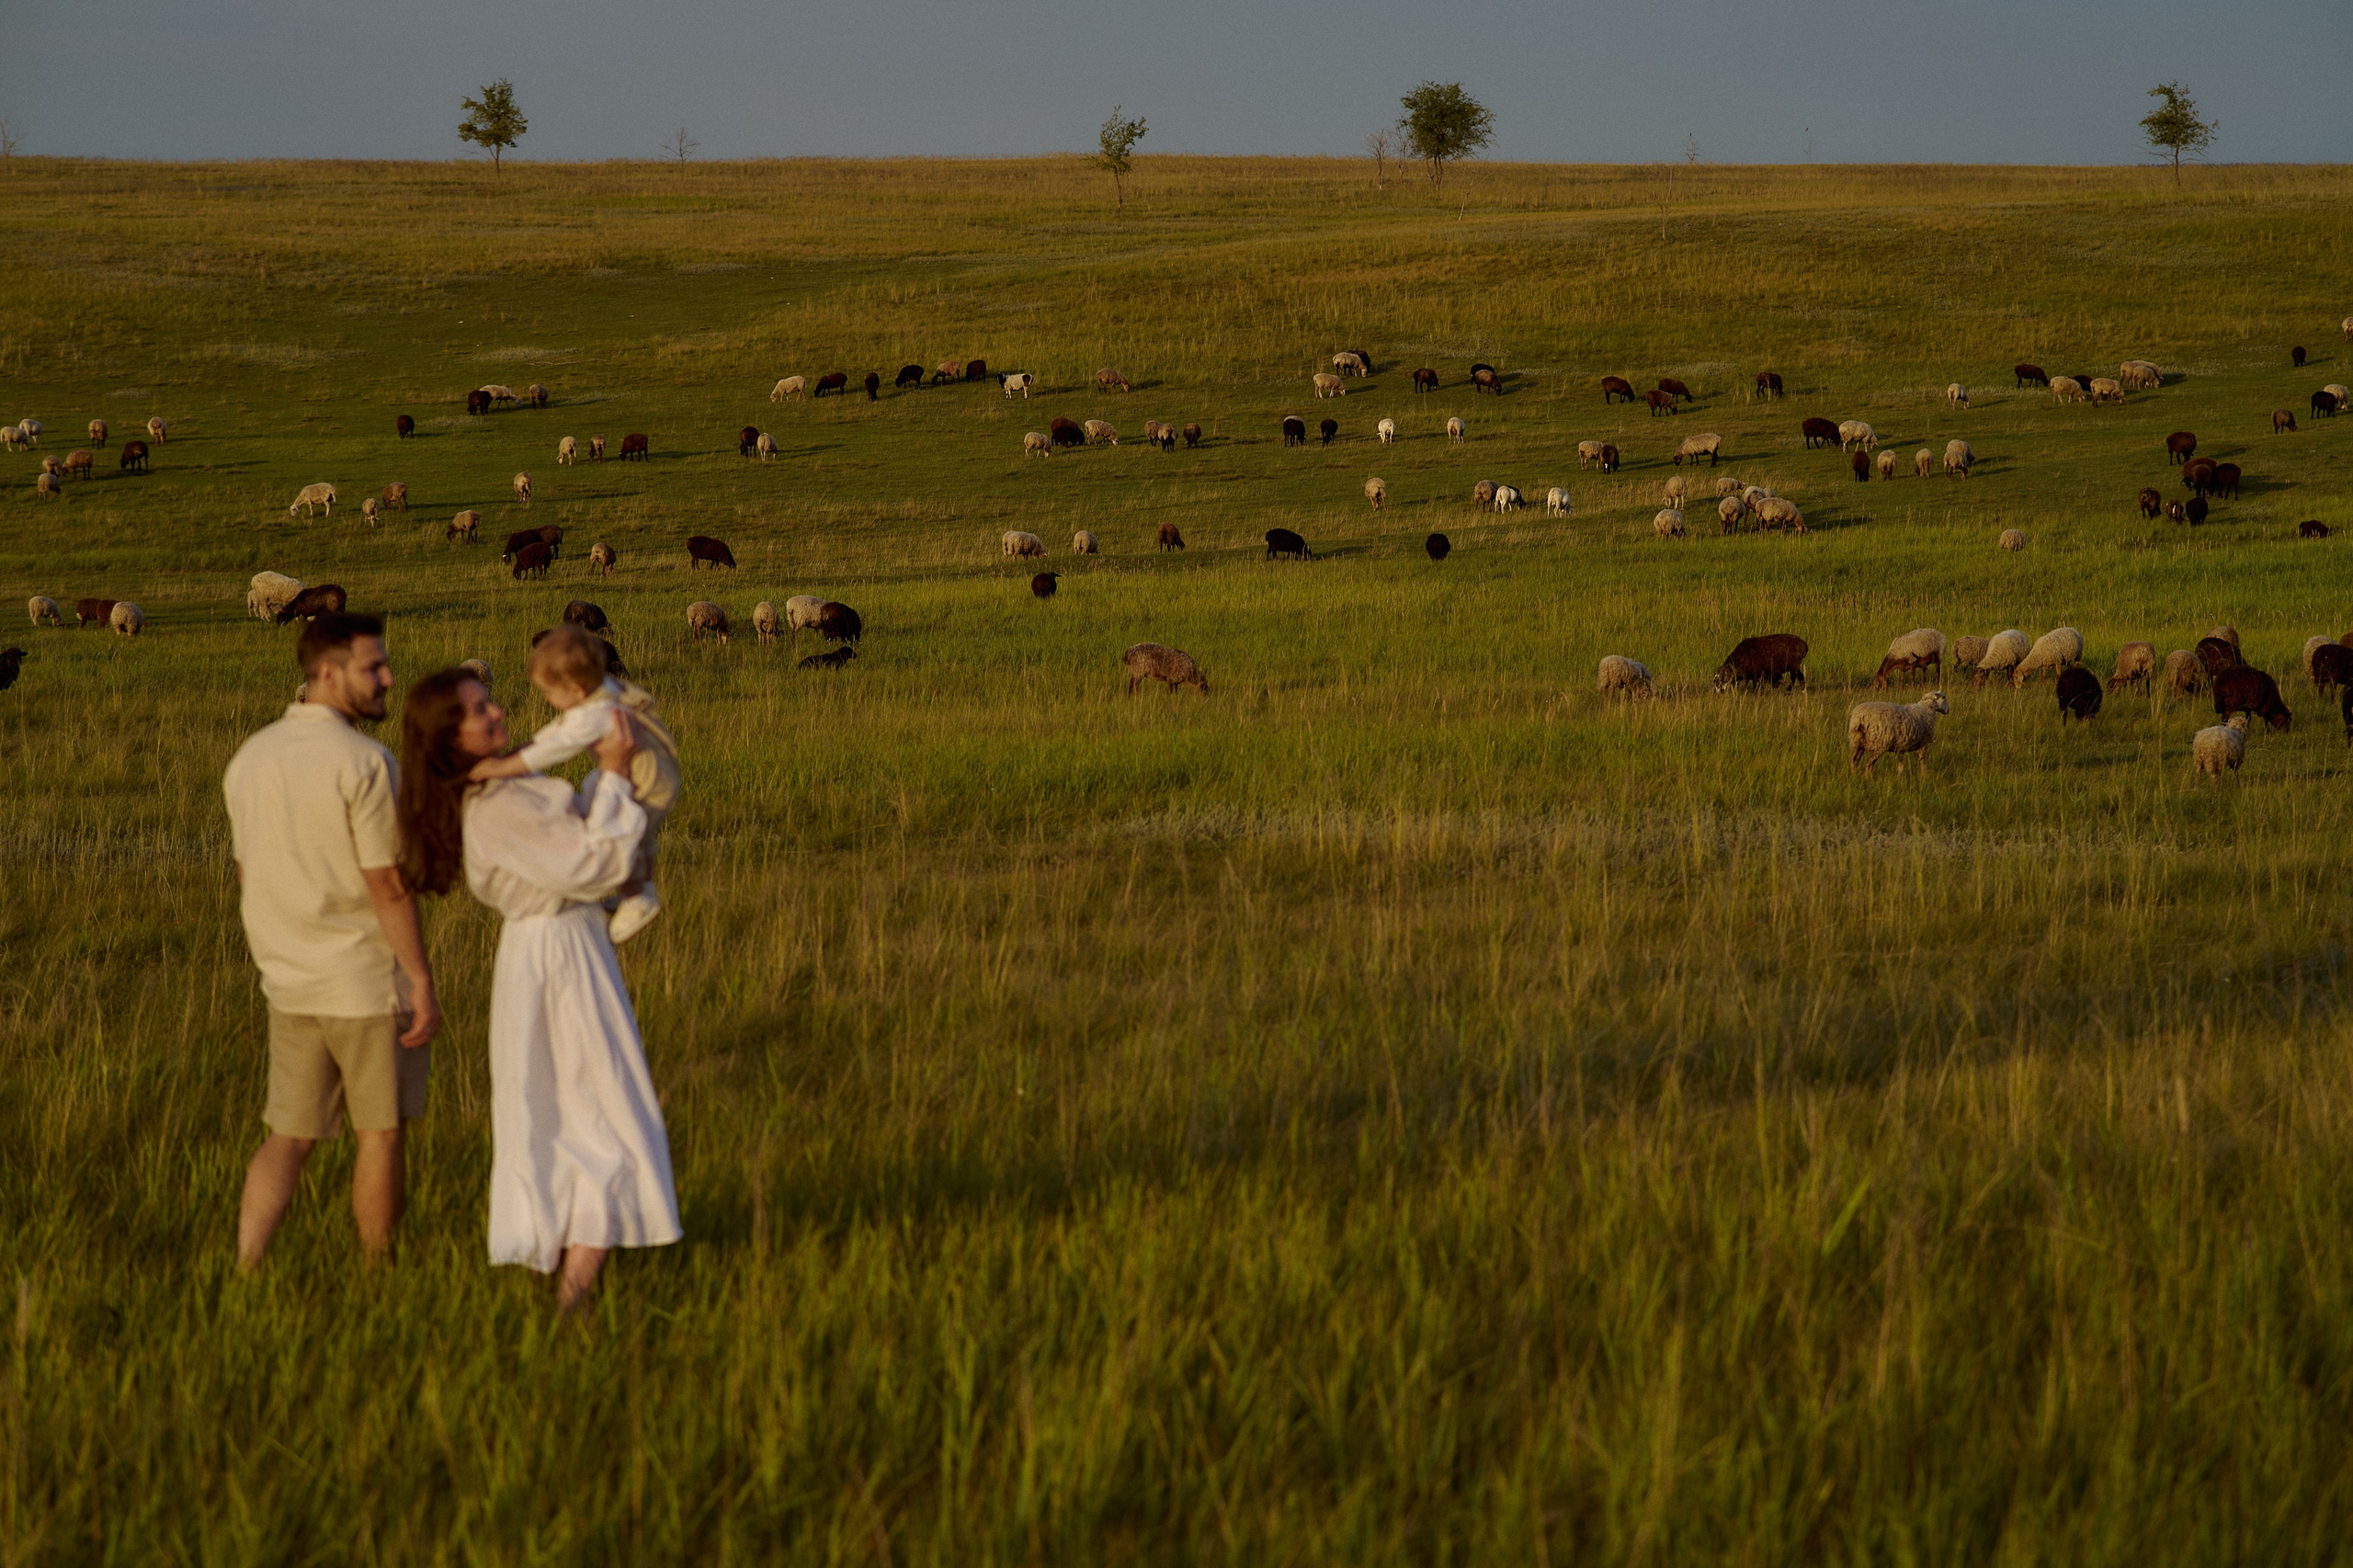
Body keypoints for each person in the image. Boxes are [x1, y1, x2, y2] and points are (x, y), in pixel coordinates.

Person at [397, 665, 680, 1309]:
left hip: (559, 950)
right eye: (476, 711)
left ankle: (560, 1270)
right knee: (600, 1110)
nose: (495, 713)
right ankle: (573, 1291)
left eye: (488, 701)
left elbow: (577, 845)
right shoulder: (493, 808)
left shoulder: (504, 789)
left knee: (564, 1106)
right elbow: (592, 864)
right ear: (448, 738)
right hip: (558, 958)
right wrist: (612, 770)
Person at [223, 612, 439, 1269]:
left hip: (288, 980)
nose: (387, 678)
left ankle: (247, 1267)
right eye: (373, 667)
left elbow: (246, 869)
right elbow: (387, 884)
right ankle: (379, 1278)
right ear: (325, 672)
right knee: (380, 1134)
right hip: (365, 982)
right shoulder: (366, 763)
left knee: (287, 1136)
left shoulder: (250, 757)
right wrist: (420, 979)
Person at [463, 626, 680, 944]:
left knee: (634, 826)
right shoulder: (601, 691)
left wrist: (503, 766)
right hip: (651, 770)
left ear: (576, 689)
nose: (547, 700)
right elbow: (558, 731)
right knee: (599, 787)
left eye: (550, 693)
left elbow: (558, 746)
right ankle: (634, 890)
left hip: (648, 778)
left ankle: (638, 897)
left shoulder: (595, 712)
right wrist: (523, 749)